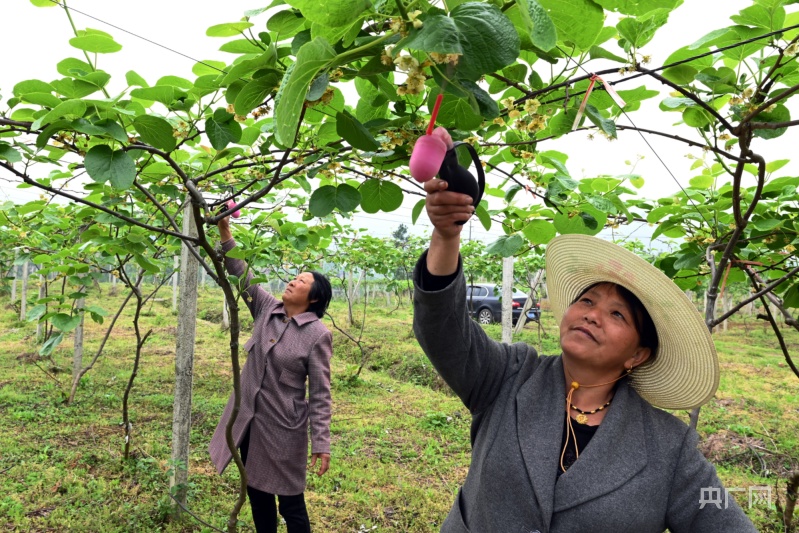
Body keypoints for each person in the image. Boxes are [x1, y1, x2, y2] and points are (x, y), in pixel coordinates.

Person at [412, 140, 757, 532]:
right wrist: (446, 237)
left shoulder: (669, 446)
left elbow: (721, 521)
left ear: (638, 355)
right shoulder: (508, 376)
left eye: (616, 315)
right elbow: (442, 330)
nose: (592, 315)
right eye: (587, 300)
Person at [208, 213, 333, 533]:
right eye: (295, 277)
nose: (293, 281)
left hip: (283, 429)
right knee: (257, 492)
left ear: (314, 297)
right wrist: (225, 229)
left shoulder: (318, 334)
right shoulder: (267, 309)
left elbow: (320, 394)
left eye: (302, 281)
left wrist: (321, 442)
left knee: (291, 502)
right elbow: (241, 272)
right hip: (250, 421)